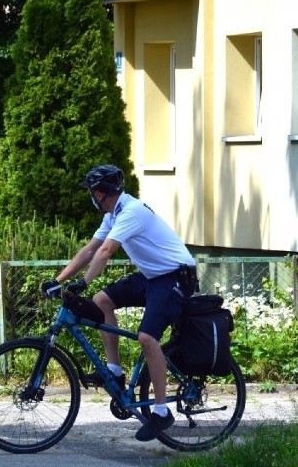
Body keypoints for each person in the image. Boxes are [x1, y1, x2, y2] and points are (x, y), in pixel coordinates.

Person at [40, 164, 197, 441]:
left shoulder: (131, 212)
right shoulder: (114, 214)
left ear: (101, 193)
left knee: (147, 338)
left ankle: (161, 412)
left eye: (92, 191)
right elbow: (90, 249)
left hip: (175, 278)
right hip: (152, 276)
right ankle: (115, 371)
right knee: (102, 301)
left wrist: (84, 283)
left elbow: (105, 250)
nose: (91, 196)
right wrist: (59, 280)